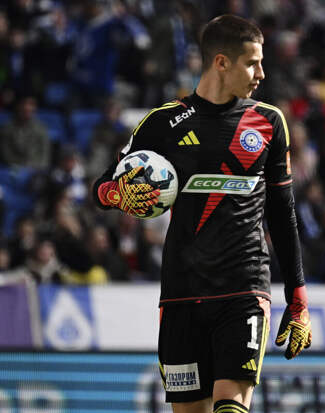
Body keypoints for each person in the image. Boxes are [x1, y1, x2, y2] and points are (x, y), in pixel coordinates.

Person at [91, 15, 312, 413]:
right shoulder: (162, 123)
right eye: (252, 63)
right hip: (182, 291)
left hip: (243, 287)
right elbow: (102, 188)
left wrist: (297, 299)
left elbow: (283, 214)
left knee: (231, 405)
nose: (261, 74)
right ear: (221, 63)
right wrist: (117, 193)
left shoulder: (268, 123)